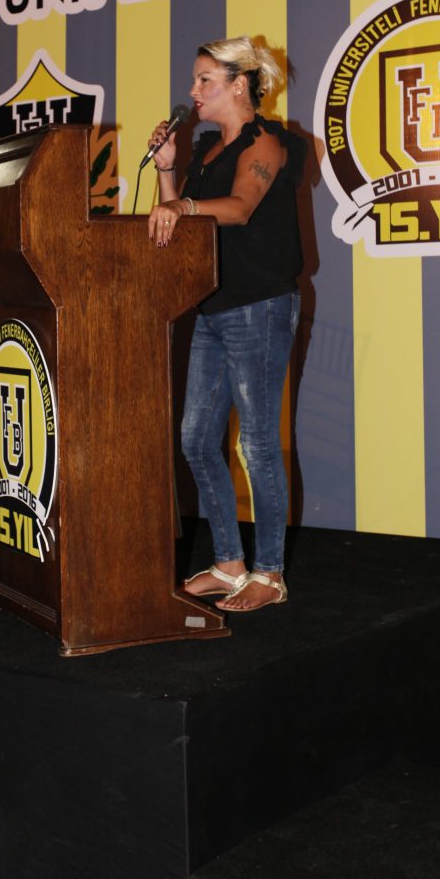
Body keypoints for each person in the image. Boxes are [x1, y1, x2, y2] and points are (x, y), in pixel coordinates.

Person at [147, 36, 305, 612]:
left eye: (204, 80)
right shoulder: (207, 151)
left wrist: (182, 205)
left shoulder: (268, 143)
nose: (192, 91)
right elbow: (181, 224)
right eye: (195, 81)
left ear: (239, 85)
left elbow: (238, 209)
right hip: (213, 307)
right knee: (195, 438)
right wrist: (168, 172)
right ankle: (229, 563)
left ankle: (270, 573)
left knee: (257, 443)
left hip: (260, 306)